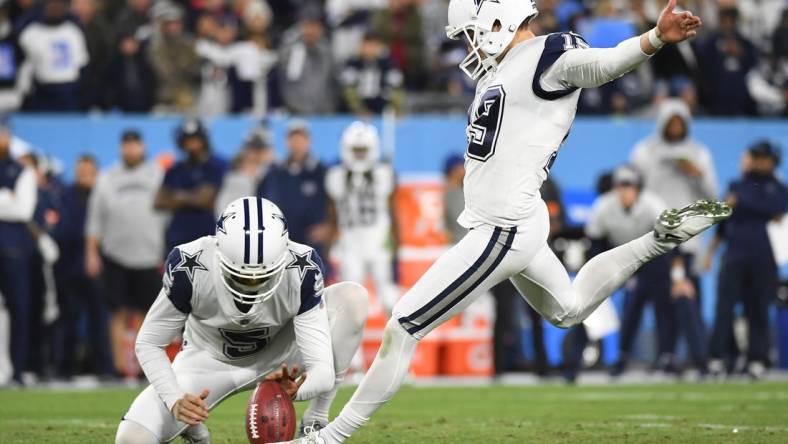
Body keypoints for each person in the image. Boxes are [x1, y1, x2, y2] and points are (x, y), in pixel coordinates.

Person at [282, 1, 729, 442]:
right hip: (515, 217)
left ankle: (328, 436)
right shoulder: (506, 68)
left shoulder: (548, 54)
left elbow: (599, 67)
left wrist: (652, 39)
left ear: (498, 20)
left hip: (503, 226)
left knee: (403, 325)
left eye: (473, 34)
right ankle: (656, 240)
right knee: (568, 309)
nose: (471, 47)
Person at [114, 197, 368, 444]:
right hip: (207, 362)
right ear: (219, 252)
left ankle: (316, 420)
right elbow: (148, 343)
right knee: (132, 439)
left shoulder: (301, 268)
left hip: (282, 360)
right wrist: (175, 398)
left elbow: (322, 370)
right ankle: (192, 425)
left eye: (263, 276)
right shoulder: (190, 267)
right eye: (241, 276)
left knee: (352, 298)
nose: (252, 283)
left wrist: (297, 390)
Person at [630, 97, 718, 371]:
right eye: (672, 122)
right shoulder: (644, 152)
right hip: (654, 237)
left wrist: (697, 174)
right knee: (659, 301)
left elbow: (713, 196)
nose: (677, 127)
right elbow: (636, 190)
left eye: (681, 122)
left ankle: (697, 356)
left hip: (687, 237)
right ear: (663, 123)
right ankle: (665, 354)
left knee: (688, 300)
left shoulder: (699, 153)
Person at [85, 130, 165, 377]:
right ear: (121, 148)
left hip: (150, 254)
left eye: (135, 145)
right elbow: (95, 218)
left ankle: (143, 367)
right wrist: (91, 252)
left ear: (142, 146)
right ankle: (120, 367)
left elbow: (167, 216)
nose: (131, 150)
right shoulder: (108, 177)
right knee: (117, 311)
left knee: (146, 314)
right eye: (127, 145)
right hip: (115, 253)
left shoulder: (157, 175)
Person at [706, 141, 788, 379]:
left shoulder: (778, 188)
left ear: (773, 161)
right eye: (758, 157)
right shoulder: (737, 184)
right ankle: (719, 358)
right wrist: (711, 250)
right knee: (724, 308)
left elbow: (776, 208)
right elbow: (723, 219)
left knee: (759, 309)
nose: (761, 162)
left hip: (764, 257)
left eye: (766, 158)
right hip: (734, 255)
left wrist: (742, 203)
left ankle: (757, 359)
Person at [583, 166, 674, 376]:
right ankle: (616, 357)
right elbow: (595, 242)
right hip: (618, 256)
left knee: (660, 305)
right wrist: (596, 271)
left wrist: (671, 272)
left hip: (652, 258)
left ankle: (667, 356)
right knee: (606, 303)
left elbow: (668, 240)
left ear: (638, 189)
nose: (624, 192)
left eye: (629, 187)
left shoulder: (653, 204)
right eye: (620, 187)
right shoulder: (604, 206)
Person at [325, 122, 398, 315]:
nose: (359, 155)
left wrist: (397, 245)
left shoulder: (384, 174)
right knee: (350, 303)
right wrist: (329, 245)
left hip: (378, 242)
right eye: (355, 150)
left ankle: (395, 344)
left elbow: (393, 211)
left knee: (389, 298)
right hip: (351, 244)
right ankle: (353, 347)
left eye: (362, 150)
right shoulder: (336, 176)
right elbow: (332, 215)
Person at [52, 154, 114, 378]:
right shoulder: (65, 196)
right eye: (80, 172)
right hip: (68, 267)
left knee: (99, 320)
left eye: (88, 172)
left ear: (96, 173)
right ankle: (64, 368)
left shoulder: (103, 196)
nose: (84, 176)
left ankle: (105, 369)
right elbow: (61, 231)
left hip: (97, 267)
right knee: (67, 320)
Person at [257, 120, 329, 261]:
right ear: (287, 141)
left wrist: (328, 226)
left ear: (308, 141)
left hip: (312, 240)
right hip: (281, 241)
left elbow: (332, 201)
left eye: (301, 137)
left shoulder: (321, 171)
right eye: (293, 137)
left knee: (314, 279)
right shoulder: (275, 172)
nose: (297, 142)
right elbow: (261, 199)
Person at [155, 118, 226, 253]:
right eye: (187, 141)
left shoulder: (216, 166)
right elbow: (159, 201)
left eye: (196, 140)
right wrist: (193, 196)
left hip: (208, 238)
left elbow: (205, 201)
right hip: (178, 238)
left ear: (204, 140)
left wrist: (177, 197)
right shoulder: (175, 169)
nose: (192, 145)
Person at [0, 121, 36, 384]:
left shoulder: (22, 170)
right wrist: (6, 197)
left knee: (19, 309)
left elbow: (24, 210)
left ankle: (18, 369)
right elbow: (14, 205)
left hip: (14, 250)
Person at [18, 0, 89, 111]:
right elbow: (24, 66)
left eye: (59, 4)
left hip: (68, 91)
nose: (55, 8)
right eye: (51, 4)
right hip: (42, 91)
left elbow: (82, 64)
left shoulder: (72, 31)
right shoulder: (31, 33)